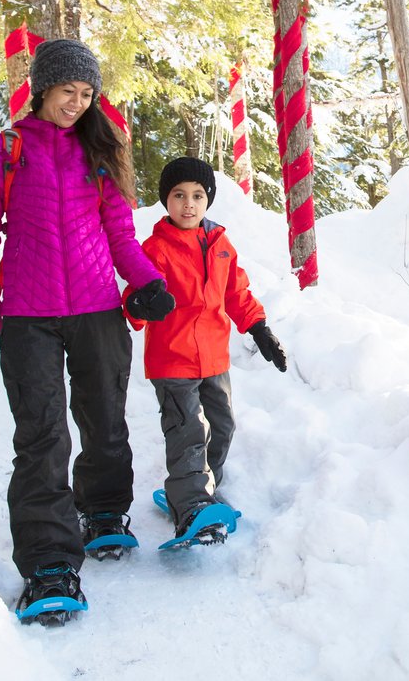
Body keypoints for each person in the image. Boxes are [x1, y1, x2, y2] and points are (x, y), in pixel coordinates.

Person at [0, 38, 175, 623]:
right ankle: (49, 563)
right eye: (67, 91)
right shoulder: (8, 149)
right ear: (42, 87)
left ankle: (102, 511)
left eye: (86, 93)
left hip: (99, 307)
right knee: (42, 434)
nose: (76, 103)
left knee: (104, 417)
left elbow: (120, 233)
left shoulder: (101, 148)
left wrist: (145, 281)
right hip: (28, 314)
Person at [124, 156, 288, 544]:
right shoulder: (155, 249)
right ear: (166, 200)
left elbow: (237, 292)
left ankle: (197, 489)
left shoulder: (220, 244)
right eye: (179, 195)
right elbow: (134, 293)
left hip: (214, 359)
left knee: (222, 426)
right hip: (173, 360)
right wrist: (140, 305)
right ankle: (193, 505)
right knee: (187, 432)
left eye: (197, 195)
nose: (188, 204)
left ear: (208, 200)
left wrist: (259, 328)